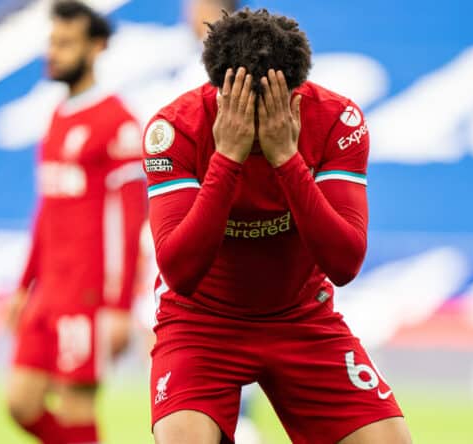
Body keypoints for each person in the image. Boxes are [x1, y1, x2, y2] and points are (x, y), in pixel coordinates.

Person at [143, 8, 412, 444]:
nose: (259, 118)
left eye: (275, 100)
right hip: (201, 321)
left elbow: (344, 263)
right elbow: (180, 271)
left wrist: (288, 161)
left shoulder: (336, 121)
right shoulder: (176, 127)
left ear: (297, 91)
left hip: (301, 317)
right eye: (243, 105)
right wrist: (227, 158)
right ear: (219, 91)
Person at [6, 2, 147, 443]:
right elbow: (46, 211)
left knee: (76, 408)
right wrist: (24, 286)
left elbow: (129, 220)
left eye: (66, 44)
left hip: (88, 294)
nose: (55, 53)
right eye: (52, 42)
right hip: (48, 291)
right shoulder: (55, 118)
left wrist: (119, 307)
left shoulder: (119, 123)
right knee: (21, 404)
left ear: (97, 47)